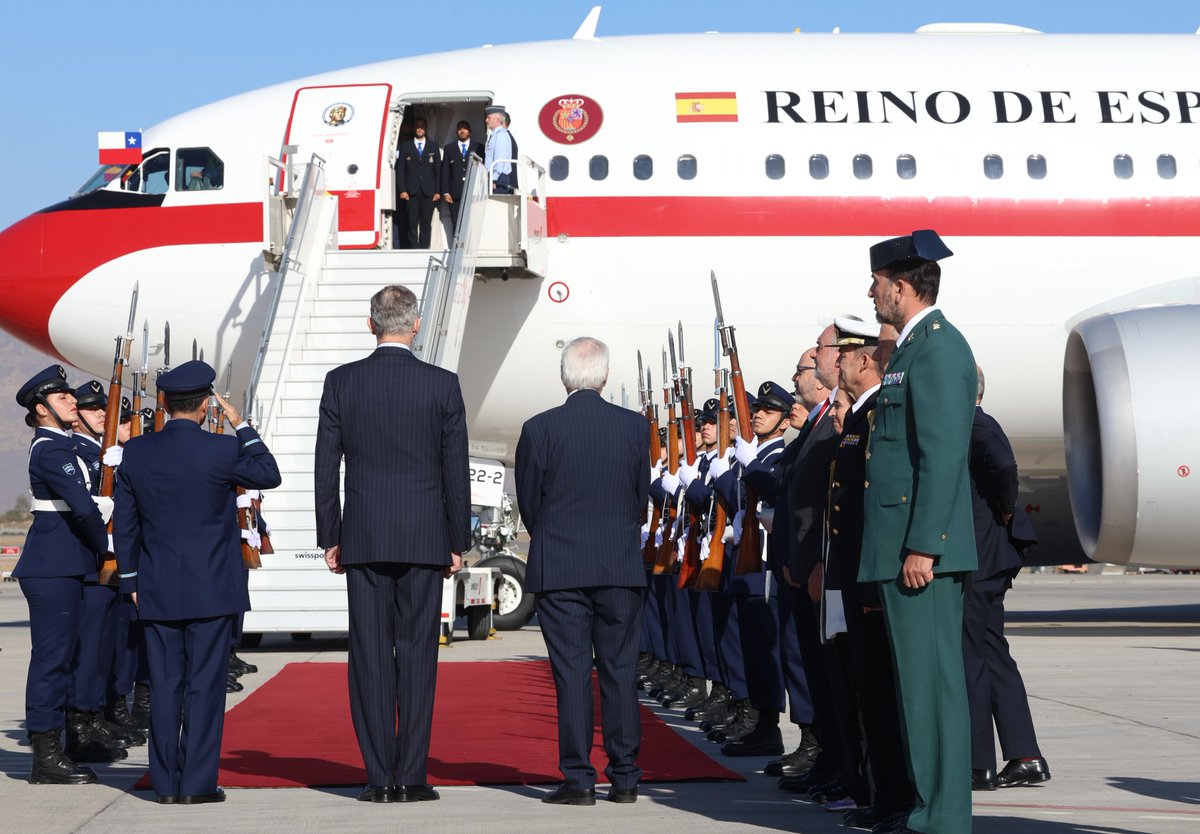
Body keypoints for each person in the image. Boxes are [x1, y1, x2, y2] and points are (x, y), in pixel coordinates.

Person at [314, 285, 470, 804]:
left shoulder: (342, 382)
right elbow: (455, 471)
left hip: (365, 536)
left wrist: (330, 535)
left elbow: (324, 466)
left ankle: (379, 777)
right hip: (424, 538)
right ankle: (415, 775)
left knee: (370, 658)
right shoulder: (442, 384)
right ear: (416, 325)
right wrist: (456, 539)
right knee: (420, 657)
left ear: (371, 324)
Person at [114, 360, 281, 804]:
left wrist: (130, 577)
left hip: (155, 586)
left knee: (164, 687)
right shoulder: (222, 450)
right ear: (207, 405)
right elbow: (269, 472)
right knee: (205, 687)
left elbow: (126, 525)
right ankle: (197, 784)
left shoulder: (137, 452)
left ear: (164, 404)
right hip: (213, 589)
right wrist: (240, 424)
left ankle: (165, 784)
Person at [859, 229, 977, 834]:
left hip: (919, 551)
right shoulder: (911, 350)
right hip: (900, 545)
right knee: (916, 690)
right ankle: (931, 810)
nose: (872, 292)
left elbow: (943, 455)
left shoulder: (938, 350)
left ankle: (946, 816)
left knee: (933, 688)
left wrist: (924, 545)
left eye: (877, 284)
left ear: (901, 288)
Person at [515, 337, 649, 806]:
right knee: (619, 671)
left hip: (561, 567)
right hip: (618, 565)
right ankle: (626, 777)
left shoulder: (539, 429)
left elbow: (530, 501)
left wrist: (555, 536)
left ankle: (578, 779)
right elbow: (638, 499)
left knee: (571, 674)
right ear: (605, 377)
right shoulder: (634, 427)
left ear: (564, 376)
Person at [825, 319, 915, 831]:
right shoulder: (859, 416)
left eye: (843, 355)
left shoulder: (878, 413)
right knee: (866, 693)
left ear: (863, 360)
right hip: (854, 574)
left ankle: (895, 797)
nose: (836, 363)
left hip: (870, 579)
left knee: (882, 696)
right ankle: (882, 794)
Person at [14, 366, 109, 785]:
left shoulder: (66, 445)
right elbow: (84, 508)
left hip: (66, 562)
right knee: (51, 660)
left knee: (64, 657)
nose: (72, 400)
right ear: (41, 409)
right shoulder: (51, 451)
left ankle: (60, 744)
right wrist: (105, 544)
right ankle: (46, 755)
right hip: (53, 566)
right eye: (62, 397)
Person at [966, 366, 1049, 792]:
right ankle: (1025, 756)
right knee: (992, 653)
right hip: (986, 556)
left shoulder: (977, 423)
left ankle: (978, 763)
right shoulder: (976, 424)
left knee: (971, 656)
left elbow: (1003, 466)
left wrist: (1005, 509)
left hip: (983, 557)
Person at [68, 384, 143, 764]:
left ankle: (102, 712)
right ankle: (83, 722)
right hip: (93, 561)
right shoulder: (73, 451)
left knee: (112, 644)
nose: (100, 413)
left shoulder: (104, 453)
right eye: (91, 408)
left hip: (114, 560)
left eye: (103, 408)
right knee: (92, 647)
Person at [395, 117, 441, 248]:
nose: (420, 129)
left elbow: (438, 171)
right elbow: (401, 171)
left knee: (426, 224)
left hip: (429, 192)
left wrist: (438, 191)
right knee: (412, 223)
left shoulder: (433, 146)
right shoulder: (406, 146)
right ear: (414, 128)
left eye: (422, 126)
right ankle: (414, 250)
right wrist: (402, 189)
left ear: (426, 129)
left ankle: (424, 250)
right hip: (411, 192)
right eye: (417, 126)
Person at [440, 120, 485, 233]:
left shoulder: (479, 147)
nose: (462, 131)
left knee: (473, 222)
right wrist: (445, 192)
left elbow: (483, 169)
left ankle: (470, 250)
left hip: (474, 191)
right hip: (455, 193)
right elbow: (445, 171)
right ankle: (457, 250)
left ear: (469, 131)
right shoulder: (449, 148)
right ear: (456, 132)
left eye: (465, 128)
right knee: (456, 222)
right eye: (460, 129)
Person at [484, 106, 514, 194]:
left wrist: (493, 179)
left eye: (488, 118)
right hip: (496, 177)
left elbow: (499, 161)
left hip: (498, 179)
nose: (486, 120)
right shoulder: (495, 135)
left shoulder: (500, 135)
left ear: (497, 120)